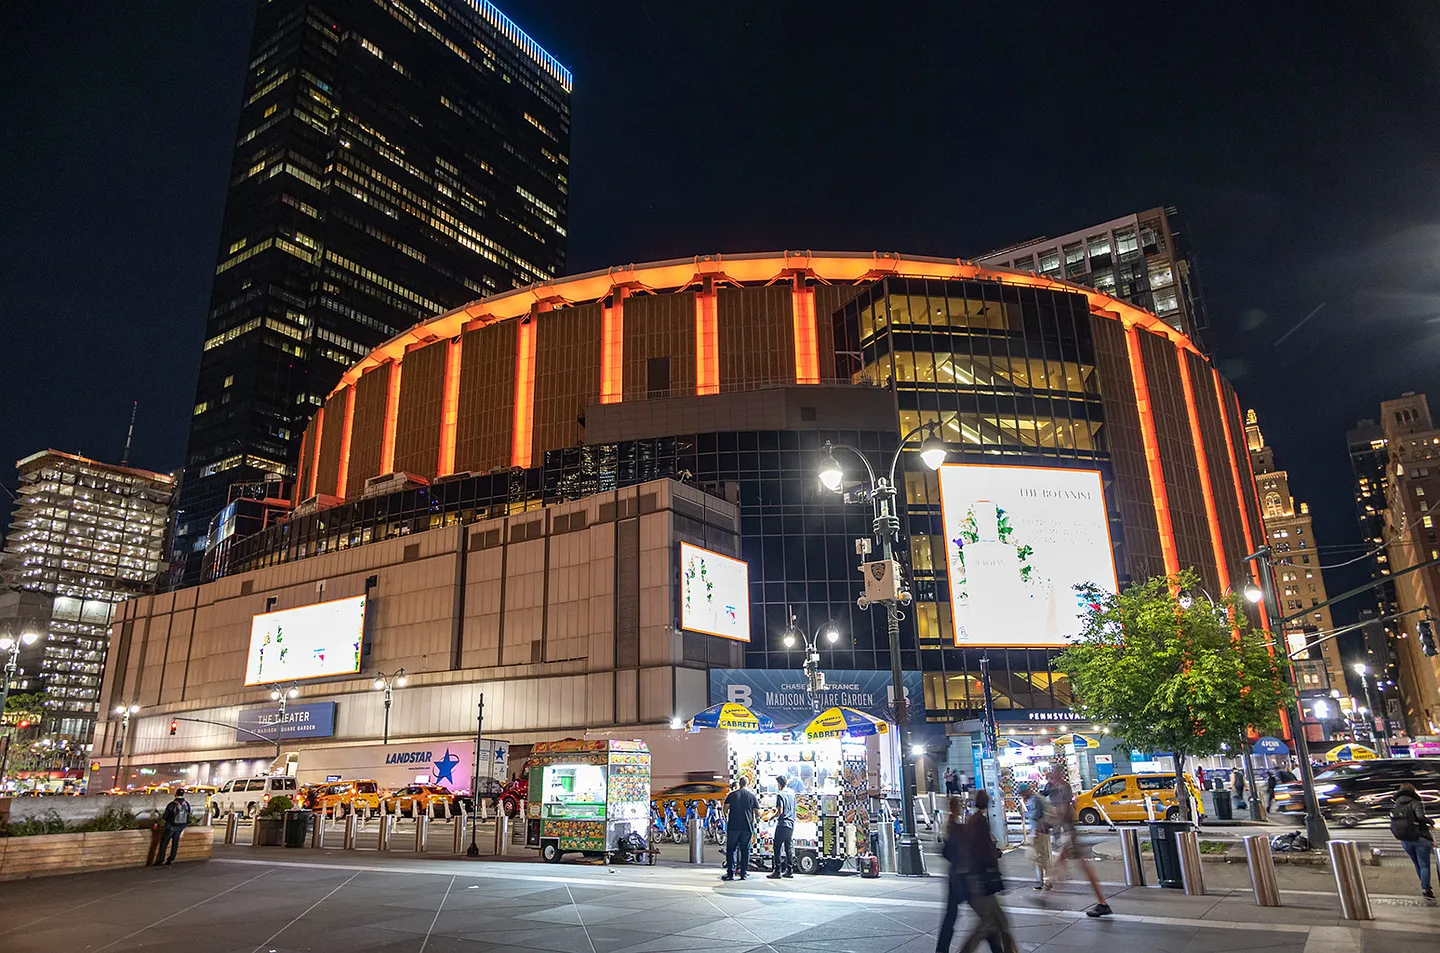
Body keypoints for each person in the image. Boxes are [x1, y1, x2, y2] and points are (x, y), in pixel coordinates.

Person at [953, 791, 1017, 953]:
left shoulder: (972, 820)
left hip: (977, 879)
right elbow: (984, 851)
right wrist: (995, 853)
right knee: (990, 923)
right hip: (982, 880)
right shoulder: (980, 822)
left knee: (998, 922)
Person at [1044, 766, 1111, 917]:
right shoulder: (1054, 788)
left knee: (1073, 866)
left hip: (1068, 834)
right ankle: (1047, 897)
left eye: (1054, 773)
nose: (1052, 777)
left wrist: (1051, 818)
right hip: (1066, 833)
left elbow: (1064, 811)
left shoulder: (1064, 788)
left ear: (1059, 774)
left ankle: (1048, 897)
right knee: (1061, 865)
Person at [1390, 782, 1434, 899]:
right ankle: (1426, 888)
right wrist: (1429, 821)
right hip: (1420, 837)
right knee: (1424, 864)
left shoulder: (1396, 805)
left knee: (1417, 864)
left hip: (1405, 839)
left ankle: (1424, 886)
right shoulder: (1415, 802)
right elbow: (1420, 817)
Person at [721, 777, 759, 881]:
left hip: (733, 826)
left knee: (731, 850)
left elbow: (725, 809)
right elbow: (757, 812)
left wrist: (727, 818)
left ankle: (730, 873)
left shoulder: (732, 795)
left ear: (739, 783)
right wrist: (755, 821)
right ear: (747, 784)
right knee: (745, 850)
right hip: (747, 827)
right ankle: (743, 873)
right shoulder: (752, 796)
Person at [1019, 784, 1052, 890]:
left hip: (1039, 832)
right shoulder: (1036, 798)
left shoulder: (1035, 800)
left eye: (1022, 794)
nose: (1022, 796)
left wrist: (1026, 814)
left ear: (1026, 791)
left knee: (1041, 858)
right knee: (1041, 858)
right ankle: (1044, 881)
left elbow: (1035, 815)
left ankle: (1045, 881)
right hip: (1040, 831)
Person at [153, 789, 192, 867]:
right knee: (175, 842)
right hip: (180, 827)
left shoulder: (172, 804)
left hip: (171, 826)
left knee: (164, 842)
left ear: (175, 794)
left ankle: (160, 860)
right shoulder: (186, 804)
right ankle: (171, 859)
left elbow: (165, 817)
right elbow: (188, 815)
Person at [767, 775, 797, 879]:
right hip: (791, 824)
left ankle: (777, 871)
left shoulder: (780, 795)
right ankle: (789, 870)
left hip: (782, 824)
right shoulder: (792, 795)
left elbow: (780, 811)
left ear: (779, 784)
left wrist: (771, 817)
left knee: (777, 847)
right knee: (788, 848)